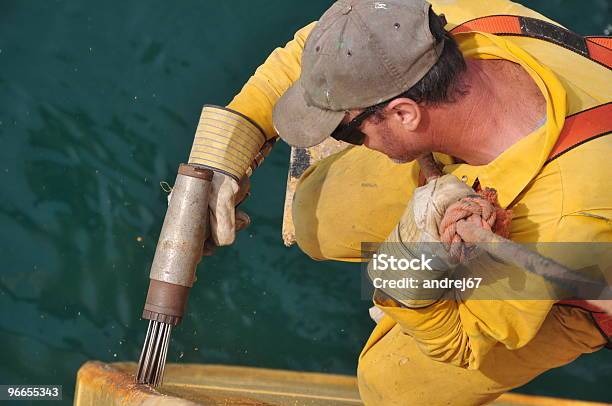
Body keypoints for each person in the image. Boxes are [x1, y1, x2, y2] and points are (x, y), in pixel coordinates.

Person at [185, 0, 611, 404]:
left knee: (390, 386)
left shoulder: (561, 217)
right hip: (496, 157)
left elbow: (465, 341)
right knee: (315, 214)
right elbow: (324, 46)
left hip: (582, 263)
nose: (338, 140)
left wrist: (404, 282)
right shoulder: (444, 20)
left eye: (347, 133)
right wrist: (227, 148)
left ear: (405, 113)